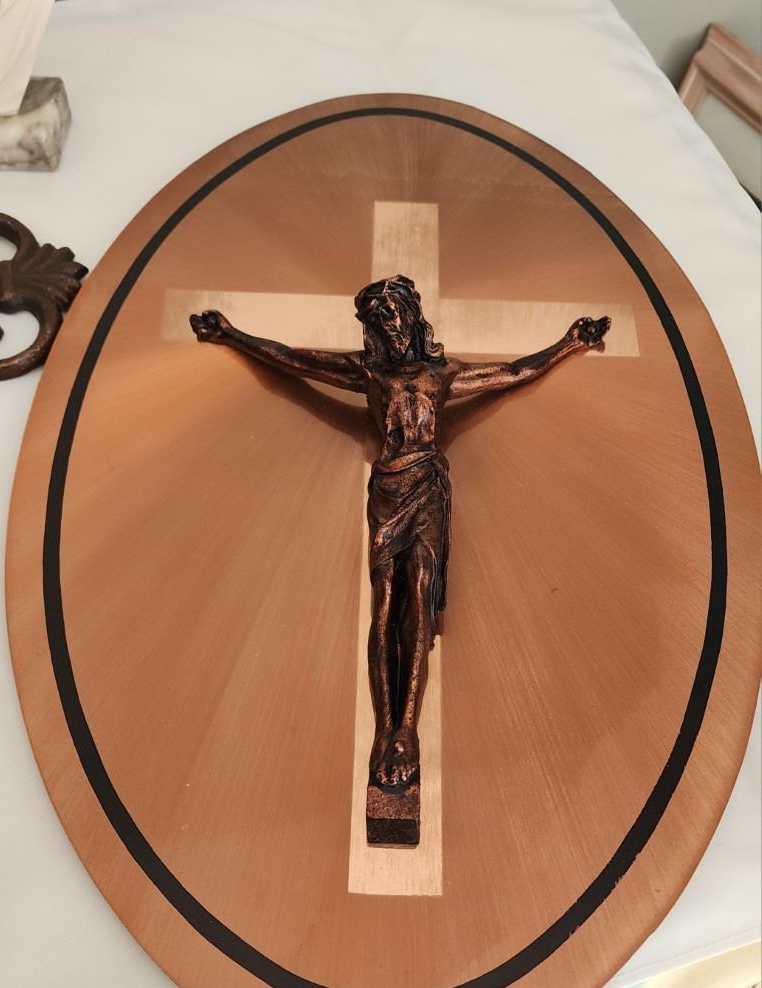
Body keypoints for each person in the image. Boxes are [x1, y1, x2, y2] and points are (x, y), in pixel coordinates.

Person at [190, 274, 610, 788]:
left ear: (411, 313)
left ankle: (406, 727)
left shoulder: (442, 373)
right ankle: (382, 727)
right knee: (385, 604)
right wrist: (233, 335)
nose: (386, 324)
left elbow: (514, 371)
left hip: (427, 485)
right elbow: (295, 360)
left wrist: (568, 343)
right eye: (376, 318)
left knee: (419, 595)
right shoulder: (367, 371)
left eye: (391, 312)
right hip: (388, 490)